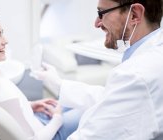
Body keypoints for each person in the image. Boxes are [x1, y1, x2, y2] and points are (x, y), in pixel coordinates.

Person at [32, 0, 163, 139]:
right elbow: (112, 97)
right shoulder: (151, 58)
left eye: (101, 13)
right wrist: (59, 85)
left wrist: (56, 121)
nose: (96, 23)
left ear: (134, 15)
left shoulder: (135, 75)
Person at [0, 10, 82, 140]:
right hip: (48, 133)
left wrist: (29, 106)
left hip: (35, 121)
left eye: (2, 34)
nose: (5, 41)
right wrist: (57, 119)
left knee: (71, 102)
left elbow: (5, 115)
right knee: (87, 111)